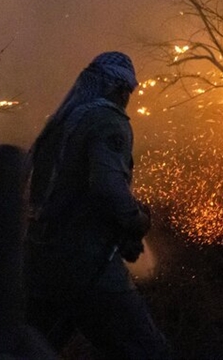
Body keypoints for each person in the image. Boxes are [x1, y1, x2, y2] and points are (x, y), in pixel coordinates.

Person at [25, 52, 171, 359]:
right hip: (89, 265)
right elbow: (107, 188)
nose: (127, 99)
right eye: (127, 92)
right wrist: (137, 220)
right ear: (119, 90)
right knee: (147, 351)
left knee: (32, 349)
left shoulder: (62, 122)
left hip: (41, 260)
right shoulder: (107, 121)